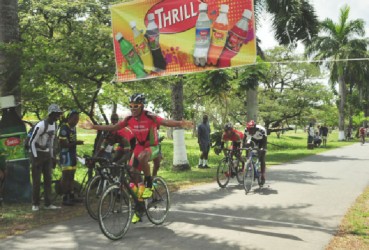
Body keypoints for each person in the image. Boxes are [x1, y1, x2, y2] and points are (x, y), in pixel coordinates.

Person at [82, 93, 193, 223]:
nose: (133, 108)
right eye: (131, 106)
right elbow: (113, 127)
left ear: (142, 106)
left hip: (153, 147)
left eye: (136, 106)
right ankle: (140, 203)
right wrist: (94, 127)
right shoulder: (129, 119)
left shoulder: (149, 116)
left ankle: (149, 185)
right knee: (131, 172)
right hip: (140, 147)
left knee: (142, 156)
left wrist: (180, 123)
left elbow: (165, 122)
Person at [29, 104, 63, 211]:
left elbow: (52, 143)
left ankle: (48, 203)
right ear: (51, 114)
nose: (59, 116)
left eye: (59, 114)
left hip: (47, 155)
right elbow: (31, 142)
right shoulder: (41, 125)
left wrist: (53, 157)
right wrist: (35, 159)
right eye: (57, 114)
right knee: (37, 181)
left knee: (48, 179)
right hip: (37, 154)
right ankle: (35, 204)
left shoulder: (55, 125)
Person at [58, 110, 84, 206]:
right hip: (66, 154)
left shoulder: (74, 128)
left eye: (77, 119)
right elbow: (64, 144)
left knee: (72, 175)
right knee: (66, 175)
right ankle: (64, 197)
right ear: (69, 118)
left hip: (72, 154)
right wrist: (76, 143)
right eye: (74, 119)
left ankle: (71, 195)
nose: (76, 121)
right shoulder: (64, 128)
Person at [243, 120, 267, 185]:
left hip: (261, 141)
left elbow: (265, 141)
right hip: (253, 140)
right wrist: (243, 147)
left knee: (262, 157)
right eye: (249, 131)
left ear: (255, 128)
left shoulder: (261, 130)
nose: (250, 132)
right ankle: (250, 164)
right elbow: (244, 140)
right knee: (249, 151)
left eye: (252, 131)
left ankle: (262, 175)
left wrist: (263, 148)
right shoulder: (246, 130)